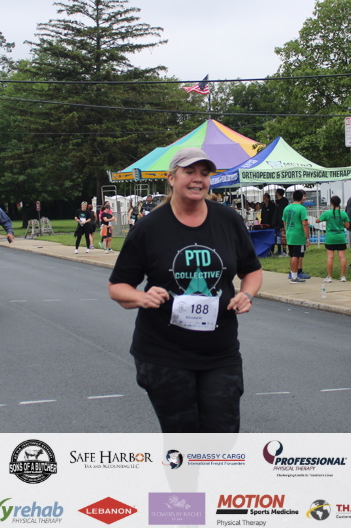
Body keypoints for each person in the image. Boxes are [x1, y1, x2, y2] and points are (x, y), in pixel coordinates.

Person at [107, 147, 262, 432]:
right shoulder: (149, 227)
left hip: (220, 352)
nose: (198, 179)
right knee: (183, 438)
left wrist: (247, 294)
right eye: (189, 172)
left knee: (223, 436)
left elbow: (252, 270)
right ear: (171, 178)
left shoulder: (227, 220)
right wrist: (141, 296)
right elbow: (117, 287)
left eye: (204, 173)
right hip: (164, 354)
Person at [316, 195, 351, 283]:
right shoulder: (343, 213)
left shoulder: (327, 213)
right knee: (342, 257)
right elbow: (347, 226)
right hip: (340, 237)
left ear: (331, 203)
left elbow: (317, 220)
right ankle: (342, 276)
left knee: (330, 257)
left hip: (330, 237)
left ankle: (329, 276)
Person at [283, 189, 310, 283]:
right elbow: (304, 223)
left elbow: (284, 222)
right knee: (296, 255)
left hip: (289, 233)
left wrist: (286, 231)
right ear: (301, 197)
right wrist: (307, 237)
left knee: (292, 255)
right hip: (298, 234)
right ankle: (294, 276)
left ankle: (292, 274)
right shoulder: (301, 209)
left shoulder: (287, 208)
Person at [274, 188, 289, 256]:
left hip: (282, 222)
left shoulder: (284, 202)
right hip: (277, 223)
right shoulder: (277, 202)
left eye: (276, 192)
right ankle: (279, 250)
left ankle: (284, 250)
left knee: (283, 237)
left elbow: (282, 213)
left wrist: (282, 222)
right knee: (278, 237)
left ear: (278, 193)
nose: (275, 194)